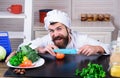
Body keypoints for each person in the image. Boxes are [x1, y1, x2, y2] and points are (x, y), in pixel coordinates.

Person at [6, 9, 111, 62]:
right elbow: (22, 47)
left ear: (68, 29)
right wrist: (40, 49)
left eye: (59, 29)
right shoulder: (47, 40)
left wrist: (97, 48)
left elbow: (109, 48)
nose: (55, 34)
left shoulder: (81, 39)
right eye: (51, 31)